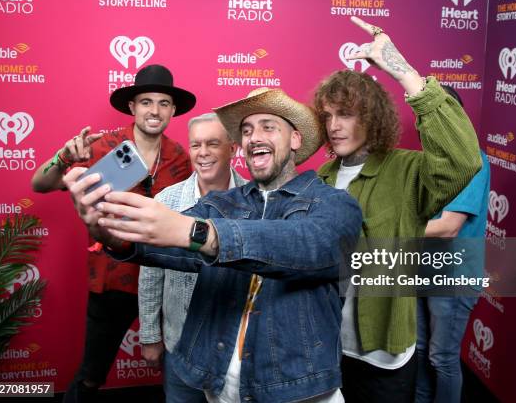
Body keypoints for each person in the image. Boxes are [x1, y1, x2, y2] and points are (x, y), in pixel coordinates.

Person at [62, 88, 363, 403]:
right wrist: (104, 226)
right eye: (246, 131)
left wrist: (196, 232)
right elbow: (163, 245)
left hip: (296, 391)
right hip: (217, 386)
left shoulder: (334, 204)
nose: (254, 137)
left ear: (296, 140)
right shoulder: (222, 204)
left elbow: (310, 246)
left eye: (267, 127)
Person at [313, 17, 482, 402]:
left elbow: (462, 161)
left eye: (347, 114)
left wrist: (403, 71)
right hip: (326, 348)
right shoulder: (322, 177)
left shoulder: (405, 170)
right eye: (328, 116)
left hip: (383, 357)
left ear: (371, 119)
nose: (335, 126)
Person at [30, 64, 195, 402]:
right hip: (113, 279)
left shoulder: (180, 157)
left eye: (164, 103)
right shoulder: (104, 147)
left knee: (178, 372)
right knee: (91, 376)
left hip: (164, 279)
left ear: (173, 110)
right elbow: (40, 183)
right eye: (146, 102)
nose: (155, 110)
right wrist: (64, 157)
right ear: (132, 107)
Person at [138, 113, 247, 402]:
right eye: (196, 145)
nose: (203, 153)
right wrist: (150, 335)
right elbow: (150, 275)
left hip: (237, 351)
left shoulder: (257, 200)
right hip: (180, 349)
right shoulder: (165, 202)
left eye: (213, 143)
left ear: (232, 148)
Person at [415, 86, 491, 403]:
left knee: (441, 357)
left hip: (455, 277)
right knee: (418, 352)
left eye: (434, 117)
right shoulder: (428, 162)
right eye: (423, 118)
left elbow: (448, 227)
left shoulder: (472, 161)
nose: (425, 126)